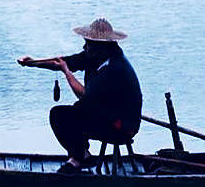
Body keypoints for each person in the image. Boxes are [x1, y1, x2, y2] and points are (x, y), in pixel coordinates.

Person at [18, 18, 142, 174]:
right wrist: (33, 62)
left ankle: (78, 159)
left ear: (101, 47)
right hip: (106, 114)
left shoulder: (115, 68)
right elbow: (65, 61)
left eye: (88, 44)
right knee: (69, 113)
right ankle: (82, 155)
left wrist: (66, 72)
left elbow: (84, 95)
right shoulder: (95, 56)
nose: (85, 47)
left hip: (121, 126)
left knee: (61, 116)